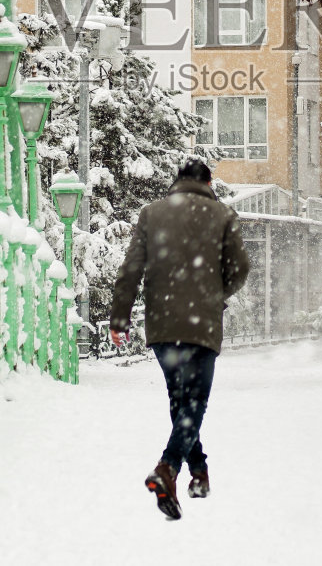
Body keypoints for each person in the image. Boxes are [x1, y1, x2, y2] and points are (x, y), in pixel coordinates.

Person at [110, 159, 250, 520]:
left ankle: (199, 473)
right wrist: (217, 293)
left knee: (180, 401)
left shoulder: (151, 214)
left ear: (177, 181)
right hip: (201, 326)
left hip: (163, 325)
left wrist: (119, 318)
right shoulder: (222, 215)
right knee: (194, 402)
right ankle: (168, 468)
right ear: (207, 181)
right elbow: (240, 269)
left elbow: (131, 269)